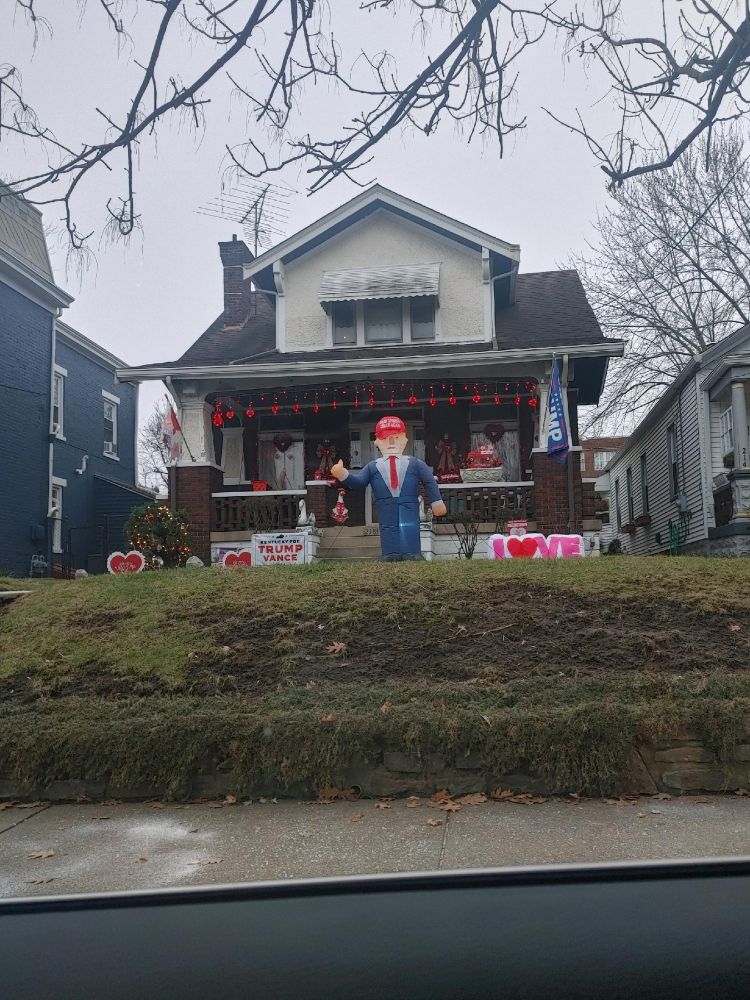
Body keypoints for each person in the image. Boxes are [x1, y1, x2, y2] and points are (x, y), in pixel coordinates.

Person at [330, 415, 447, 561]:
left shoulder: (414, 463)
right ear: (377, 442)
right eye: (386, 438)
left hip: (409, 502)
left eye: (396, 437)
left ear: (404, 439)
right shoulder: (373, 466)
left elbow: (429, 481)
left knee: (409, 526)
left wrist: (437, 502)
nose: (391, 442)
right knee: (388, 527)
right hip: (385, 503)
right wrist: (343, 474)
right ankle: (391, 554)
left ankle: (411, 553)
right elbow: (359, 482)